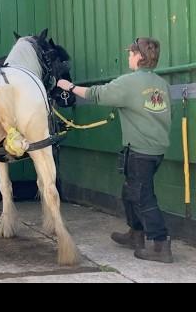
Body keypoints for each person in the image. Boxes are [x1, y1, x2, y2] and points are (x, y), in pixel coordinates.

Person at [57, 37, 173, 263]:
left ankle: (160, 244)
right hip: (156, 149)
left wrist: (69, 87)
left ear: (139, 57)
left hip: (140, 150)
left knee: (142, 196)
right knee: (130, 192)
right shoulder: (161, 84)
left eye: (130, 53)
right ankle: (136, 233)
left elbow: (97, 94)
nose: (128, 56)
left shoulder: (130, 82)